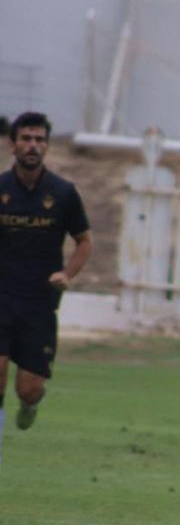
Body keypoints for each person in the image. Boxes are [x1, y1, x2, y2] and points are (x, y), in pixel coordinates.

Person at [0, 112, 93, 465]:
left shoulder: (64, 193)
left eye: (39, 140)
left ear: (47, 146)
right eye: (26, 138)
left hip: (40, 304)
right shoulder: (1, 190)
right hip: (2, 297)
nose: (32, 146)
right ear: (13, 144)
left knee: (29, 387)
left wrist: (67, 274)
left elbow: (84, 241)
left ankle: (28, 406)